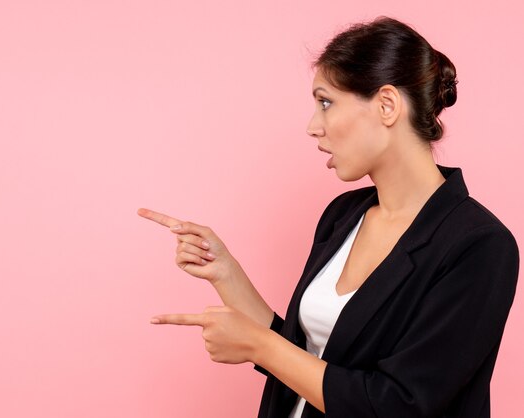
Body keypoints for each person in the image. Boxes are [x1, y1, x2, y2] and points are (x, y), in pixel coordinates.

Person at [138, 16, 519, 418]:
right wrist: (225, 272)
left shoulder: (479, 245)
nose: (312, 127)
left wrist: (257, 345)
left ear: (387, 105)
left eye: (326, 102)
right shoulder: (343, 215)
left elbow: (400, 405)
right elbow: (304, 360)